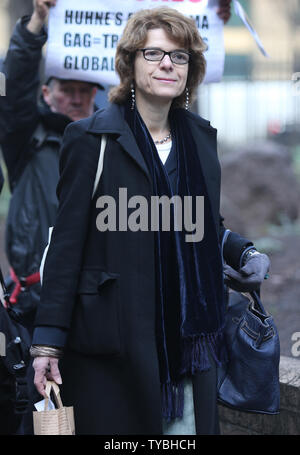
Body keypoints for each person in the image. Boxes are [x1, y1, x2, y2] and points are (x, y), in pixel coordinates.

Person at [30, 6, 270, 435]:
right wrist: (47, 341)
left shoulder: (200, 139)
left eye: (179, 57)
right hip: (115, 341)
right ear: (129, 62)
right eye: (154, 53)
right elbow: (66, 246)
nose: (167, 64)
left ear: (191, 70)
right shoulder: (91, 139)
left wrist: (242, 250)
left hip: (193, 342)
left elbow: (202, 223)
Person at [0, 0, 100, 333]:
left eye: (84, 91)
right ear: (46, 92)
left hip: (96, 300)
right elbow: (15, 89)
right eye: (66, 90)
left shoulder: (111, 146)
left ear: (95, 96)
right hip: (33, 302)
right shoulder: (26, 140)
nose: (75, 98)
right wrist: (38, 22)